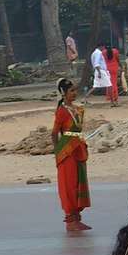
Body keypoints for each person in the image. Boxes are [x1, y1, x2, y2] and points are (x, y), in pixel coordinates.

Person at [52, 78, 90, 233]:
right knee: (69, 184)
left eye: (75, 90)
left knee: (79, 181)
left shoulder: (77, 109)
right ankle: (70, 219)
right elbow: (54, 133)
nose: (75, 93)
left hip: (78, 148)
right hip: (67, 151)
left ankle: (77, 217)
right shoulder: (62, 111)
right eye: (71, 91)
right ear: (63, 93)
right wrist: (58, 152)